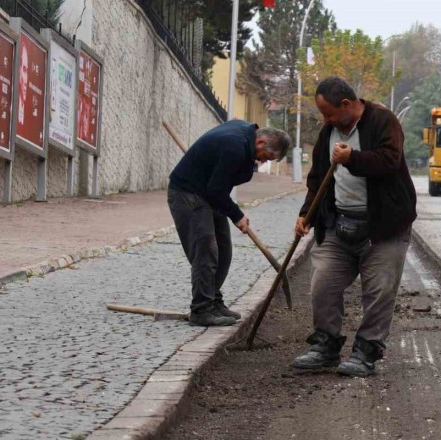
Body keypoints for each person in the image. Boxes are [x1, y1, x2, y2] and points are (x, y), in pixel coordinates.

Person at [292, 76, 416, 378]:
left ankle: (365, 352)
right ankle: (325, 346)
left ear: (347, 105)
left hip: (384, 227)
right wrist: (306, 213)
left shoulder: (383, 121)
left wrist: (352, 159)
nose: (326, 120)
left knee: (379, 292)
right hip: (337, 224)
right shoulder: (329, 132)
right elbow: (318, 177)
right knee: (322, 283)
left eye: (329, 113)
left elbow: (390, 160)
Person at [168, 121, 291, 326]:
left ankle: (214, 300)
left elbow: (217, 187)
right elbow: (217, 190)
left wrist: (233, 212)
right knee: (206, 250)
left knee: (224, 248)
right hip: (187, 194)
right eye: (266, 157)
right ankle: (201, 310)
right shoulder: (234, 146)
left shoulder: (245, 137)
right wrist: (237, 215)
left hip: (207, 192)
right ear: (260, 141)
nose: (262, 162)